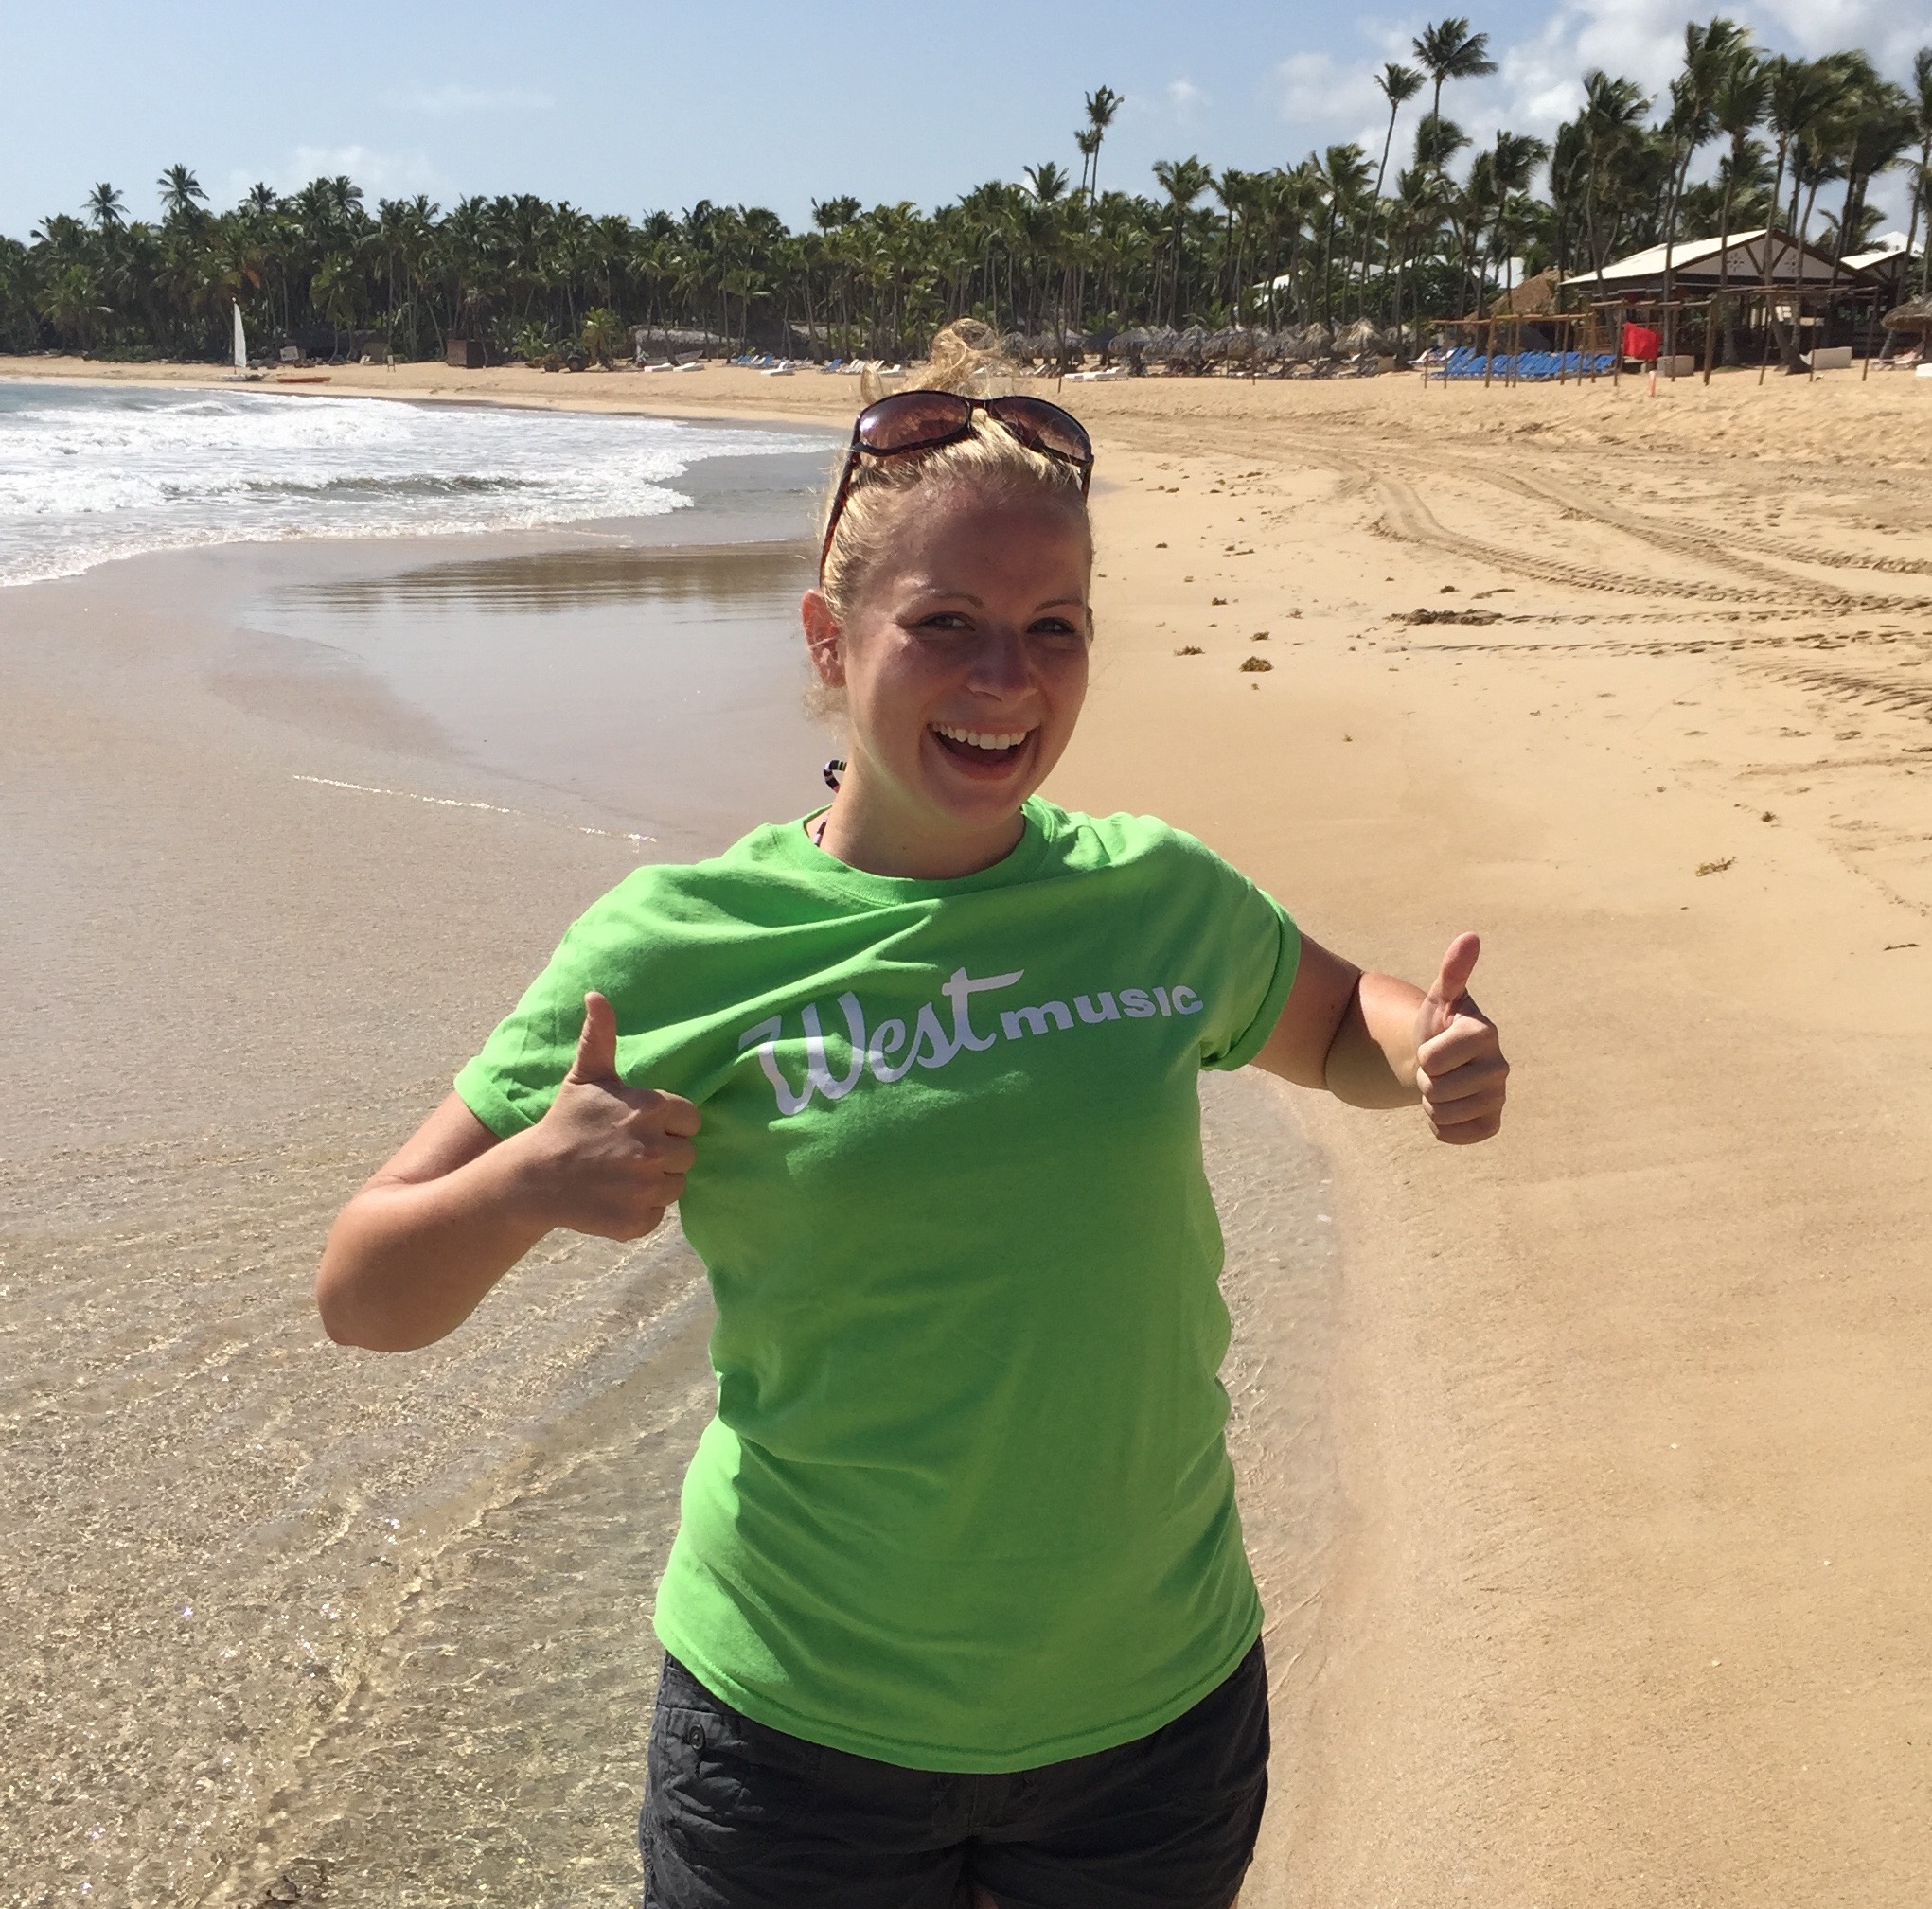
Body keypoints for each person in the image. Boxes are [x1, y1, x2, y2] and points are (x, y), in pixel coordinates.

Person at [316, 327, 1509, 1909]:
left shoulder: (1153, 896)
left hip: (1148, 1717)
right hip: (795, 1740)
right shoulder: (680, 942)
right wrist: (523, 1183)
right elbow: (363, 1290)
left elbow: (1338, 1023)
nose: (1006, 680)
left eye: (1051, 628)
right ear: (830, 636)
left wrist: (1429, 1046)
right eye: (944, 624)